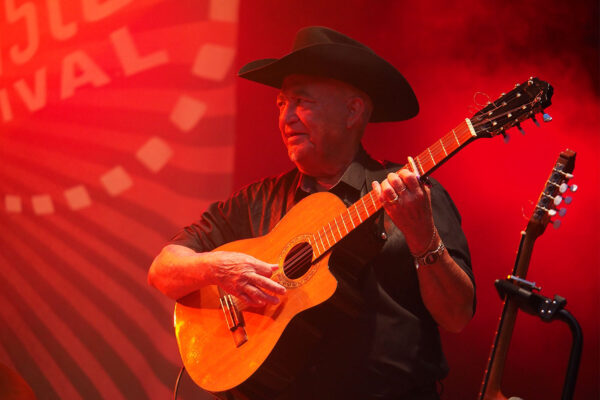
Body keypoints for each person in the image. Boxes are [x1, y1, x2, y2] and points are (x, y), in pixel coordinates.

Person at [148, 26, 475, 400]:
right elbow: (162, 270)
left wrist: (423, 237)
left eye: (302, 101)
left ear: (353, 111)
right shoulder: (255, 201)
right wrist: (220, 270)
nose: (287, 117)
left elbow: (457, 316)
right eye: (281, 104)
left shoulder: (414, 196)